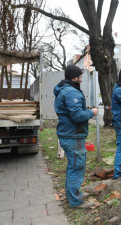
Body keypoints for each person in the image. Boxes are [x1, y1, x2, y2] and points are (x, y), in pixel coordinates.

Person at [53, 64, 98, 209]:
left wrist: (86, 110)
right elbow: (77, 116)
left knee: (72, 166)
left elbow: (73, 111)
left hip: (70, 133)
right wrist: (92, 112)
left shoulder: (64, 90)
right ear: (74, 78)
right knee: (77, 167)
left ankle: (72, 195)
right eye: (80, 77)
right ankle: (76, 201)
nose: (81, 80)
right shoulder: (71, 92)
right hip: (73, 135)